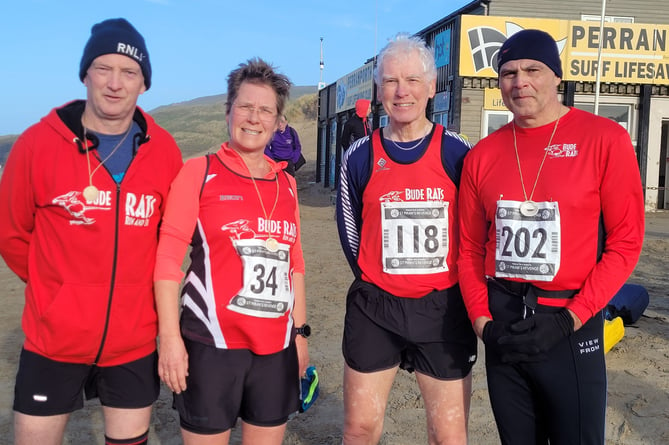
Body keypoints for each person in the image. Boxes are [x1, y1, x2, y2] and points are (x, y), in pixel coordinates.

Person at [0, 18, 183, 445]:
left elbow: (169, 242)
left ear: (144, 83)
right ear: (85, 73)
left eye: (129, 72)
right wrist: (59, 290)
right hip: (52, 342)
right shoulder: (36, 145)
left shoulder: (165, 152)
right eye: (104, 68)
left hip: (134, 344)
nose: (115, 83)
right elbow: (11, 233)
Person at [458, 29, 645, 445]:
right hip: (503, 325)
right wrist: (483, 324)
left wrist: (571, 319)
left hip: (569, 323)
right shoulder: (482, 155)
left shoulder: (604, 139)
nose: (519, 81)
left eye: (532, 69)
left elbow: (626, 241)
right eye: (507, 72)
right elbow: (468, 249)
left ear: (556, 76)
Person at [153, 57, 309, 445]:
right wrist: (170, 340)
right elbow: (168, 261)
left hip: (275, 349)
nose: (254, 118)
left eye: (265, 110)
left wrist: (301, 337)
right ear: (228, 112)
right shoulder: (199, 172)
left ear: (277, 121)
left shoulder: (287, 185)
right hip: (211, 347)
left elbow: (296, 265)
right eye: (245, 106)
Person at [336, 33, 477, 445]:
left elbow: (471, 230)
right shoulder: (359, 155)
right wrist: (375, 278)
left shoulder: (456, 152)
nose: (402, 92)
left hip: (441, 309)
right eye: (392, 81)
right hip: (376, 308)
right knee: (359, 430)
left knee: (448, 435)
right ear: (379, 91)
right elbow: (350, 232)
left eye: (413, 80)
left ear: (432, 87)